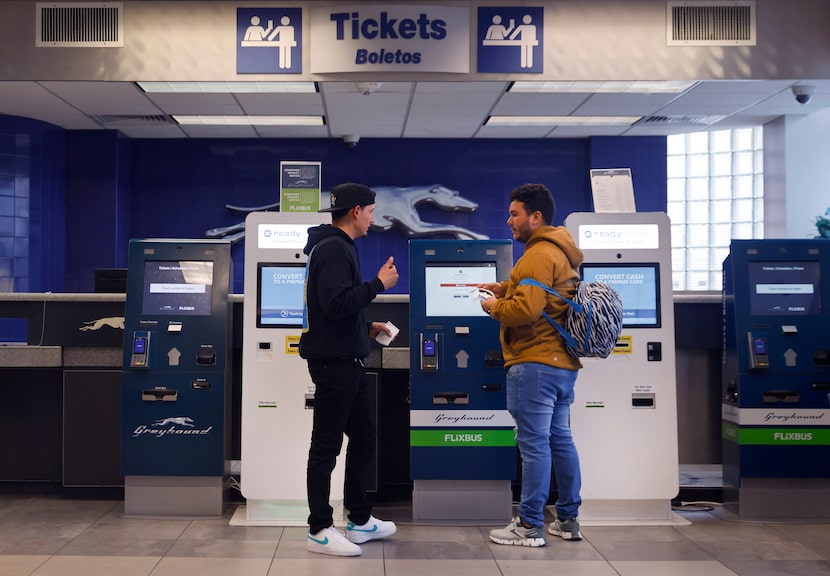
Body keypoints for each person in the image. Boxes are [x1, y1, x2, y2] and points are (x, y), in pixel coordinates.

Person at [478, 183, 584, 547]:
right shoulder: (560, 251)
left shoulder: (538, 253)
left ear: (535, 217)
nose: (509, 220)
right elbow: (534, 292)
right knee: (560, 441)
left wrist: (493, 307)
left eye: (514, 213)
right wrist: (502, 287)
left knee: (534, 445)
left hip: (534, 363)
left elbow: (526, 309)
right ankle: (567, 519)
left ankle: (529, 525)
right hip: (560, 364)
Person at [299, 182, 400, 556]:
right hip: (334, 365)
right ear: (356, 211)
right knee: (325, 447)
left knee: (365, 438)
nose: (374, 219)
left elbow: (337, 308)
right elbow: (337, 302)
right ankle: (319, 528)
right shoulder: (335, 249)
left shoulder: (338, 248)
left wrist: (366, 326)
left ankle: (359, 520)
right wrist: (378, 284)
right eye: (371, 212)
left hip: (349, 360)